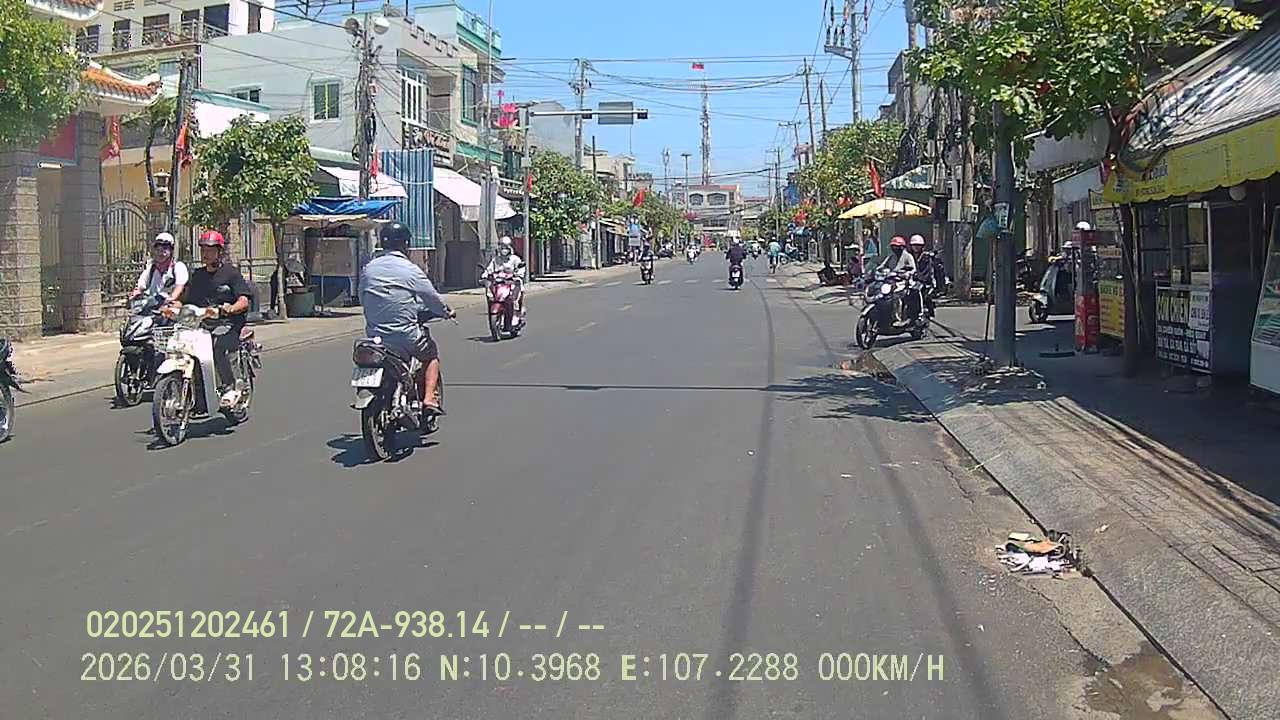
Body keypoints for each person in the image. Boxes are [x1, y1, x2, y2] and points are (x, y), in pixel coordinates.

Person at [360, 222, 454, 416]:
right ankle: (429, 398)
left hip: (375, 338)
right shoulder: (410, 270)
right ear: (405, 244)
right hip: (406, 336)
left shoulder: (369, 268)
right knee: (430, 355)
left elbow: (363, 297)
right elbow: (431, 298)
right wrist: (446, 311)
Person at [173, 230, 254, 409]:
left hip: (228, 323)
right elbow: (185, 299)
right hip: (202, 325)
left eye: (210, 250)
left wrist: (231, 308)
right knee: (183, 346)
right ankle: (196, 393)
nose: (206, 253)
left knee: (218, 346)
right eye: (203, 250)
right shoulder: (197, 275)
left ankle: (230, 386)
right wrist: (172, 307)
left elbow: (243, 300)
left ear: (219, 251)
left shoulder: (230, 273)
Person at [131, 232, 188, 303]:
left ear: (171, 251)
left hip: (171, 306)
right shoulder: (151, 269)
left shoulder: (178, 267)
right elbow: (140, 286)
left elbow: (179, 287)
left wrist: (170, 298)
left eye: (164, 249)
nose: (160, 253)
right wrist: (135, 294)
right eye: (157, 249)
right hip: (153, 305)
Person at [482, 236, 527, 318]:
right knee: (490, 291)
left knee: (515, 295)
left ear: (510, 248)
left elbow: (520, 269)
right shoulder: (496, 259)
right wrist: (485, 276)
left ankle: (516, 312)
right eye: (502, 247)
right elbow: (489, 269)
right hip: (499, 283)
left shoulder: (515, 259)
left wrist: (518, 275)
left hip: (512, 282)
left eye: (506, 247)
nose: (504, 250)